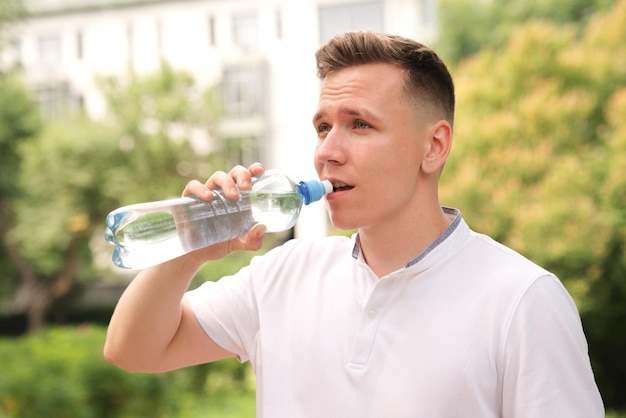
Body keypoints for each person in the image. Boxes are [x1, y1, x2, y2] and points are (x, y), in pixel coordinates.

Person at [104, 31, 604, 417]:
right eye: (323, 127)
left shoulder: (522, 299)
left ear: (434, 146)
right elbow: (133, 349)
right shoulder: (285, 274)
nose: (327, 151)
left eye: (359, 124)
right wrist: (192, 247)